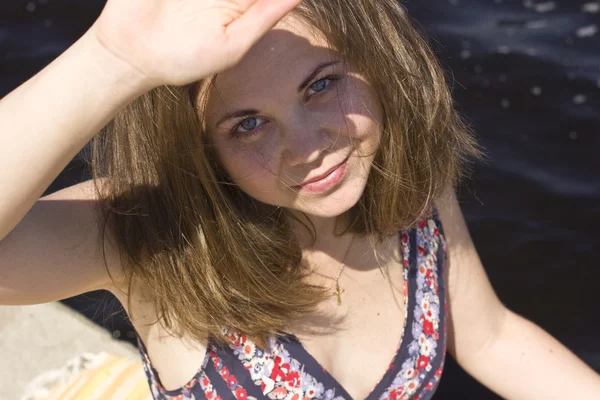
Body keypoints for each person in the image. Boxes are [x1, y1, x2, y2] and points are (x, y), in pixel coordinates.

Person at [0, 0, 599, 399]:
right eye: (248, 125)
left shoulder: (408, 189)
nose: (308, 147)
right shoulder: (154, 236)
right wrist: (112, 61)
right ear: (201, 146)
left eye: (320, 85)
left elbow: (492, 338)